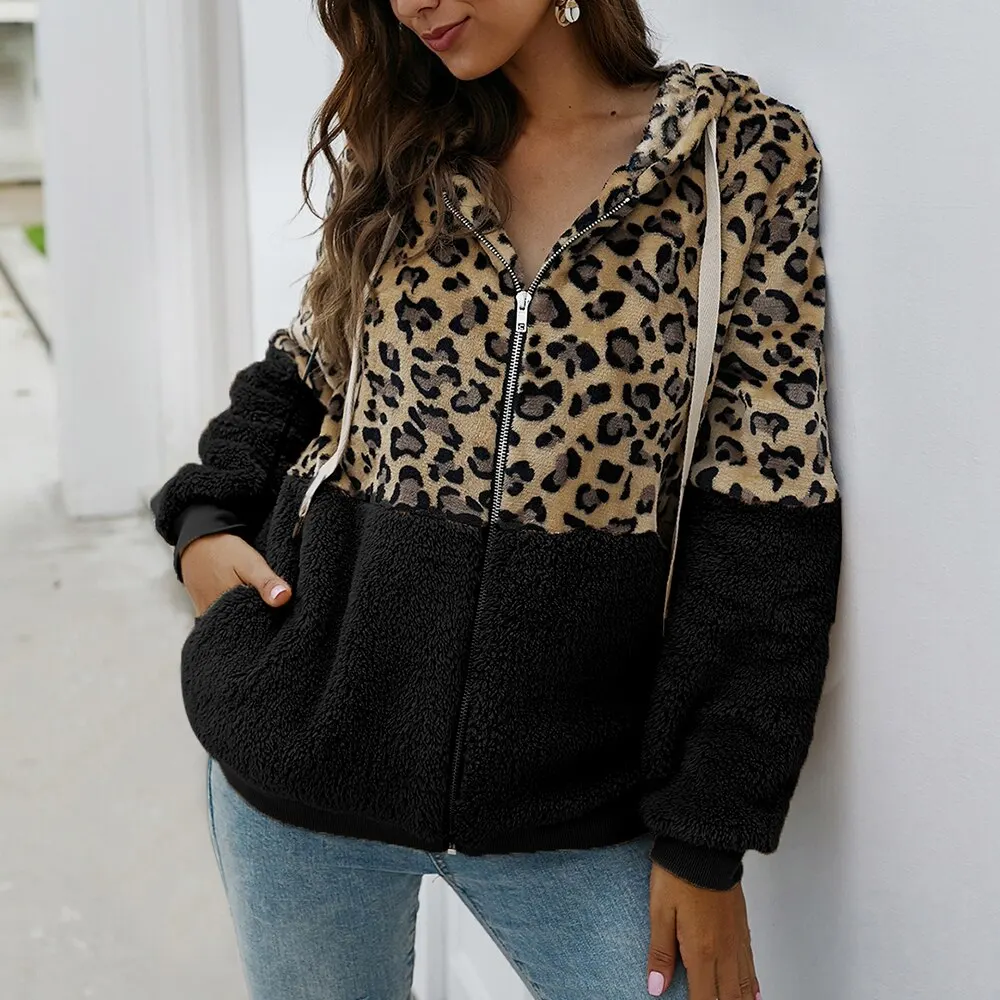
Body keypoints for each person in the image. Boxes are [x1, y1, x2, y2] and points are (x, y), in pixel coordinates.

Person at [149, 1, 842, 998]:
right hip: (302, 773)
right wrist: (202, 521)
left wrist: (707, 833)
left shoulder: (733, 158)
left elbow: (766, 504)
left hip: (582, 807)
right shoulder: (408, 149)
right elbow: (308, 365)